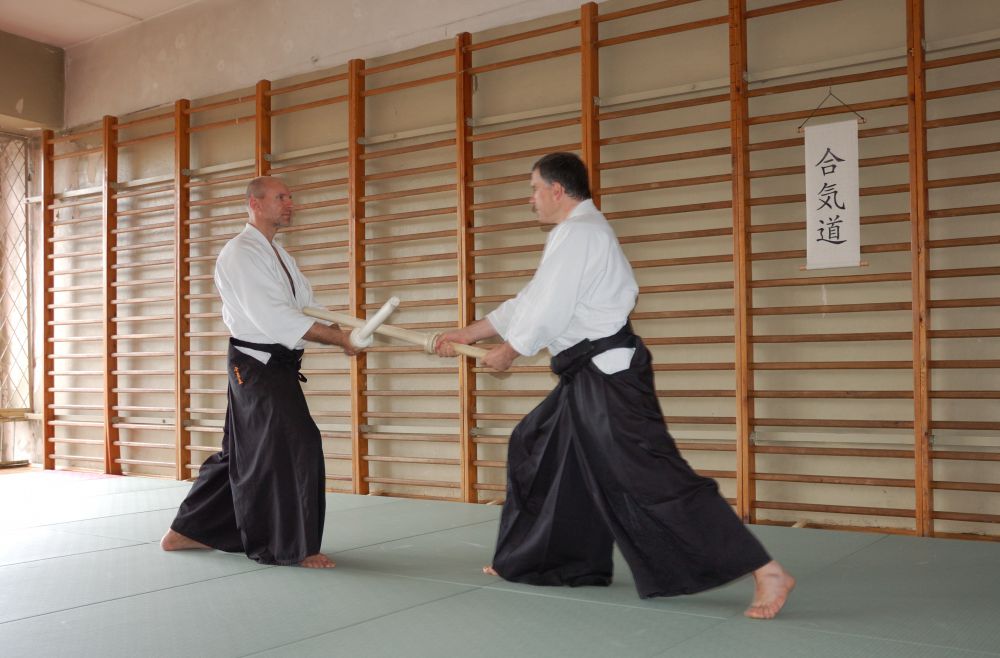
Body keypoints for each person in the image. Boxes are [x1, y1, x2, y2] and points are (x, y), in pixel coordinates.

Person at [435, 152, 795, 619]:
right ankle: (544, 561)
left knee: (651, 474)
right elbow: (530, 301)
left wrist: (511, 350)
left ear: (557, 190)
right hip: (585, 375)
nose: (531, 199)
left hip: (608, 376)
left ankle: (766, 570)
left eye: (534, 189)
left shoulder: (581, 233)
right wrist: (469, 333)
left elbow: (548, 310)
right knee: (538, 445)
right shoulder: (573, 233)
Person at [160, 176, 358, 568]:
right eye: (281, 197)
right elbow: (275, 317)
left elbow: (306, 307)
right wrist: (340, 339)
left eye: (290, 196)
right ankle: (293, 546)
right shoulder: (240, 254)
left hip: (274, 365)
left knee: (240, 450)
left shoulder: (278, 254)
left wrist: (342, 333)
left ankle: (189, 529)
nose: (290, 203)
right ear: (255, 203)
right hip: (255, 366)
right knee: (298, 443)